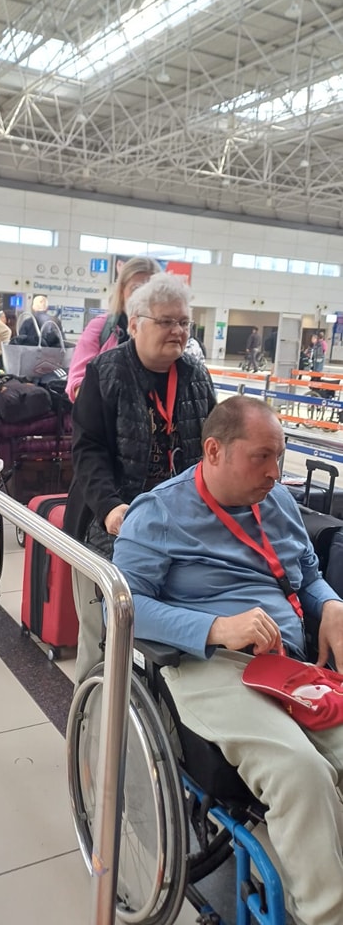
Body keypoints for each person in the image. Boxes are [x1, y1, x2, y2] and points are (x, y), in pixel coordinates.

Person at [112, 395, 343, 925]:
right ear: (214, 451)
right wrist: (215, 627)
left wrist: (329, 603)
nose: (274, 472)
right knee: (300, 773)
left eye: (279, 457)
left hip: (289, 663)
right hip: (211, 665)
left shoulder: (276, 501)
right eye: (261, 457)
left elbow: (305, 572)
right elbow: (122, 605)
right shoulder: (161, 512)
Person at [64, 274, 217, 685]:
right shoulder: (106, 372)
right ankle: (91, 714)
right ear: (134, 324)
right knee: (102, 630)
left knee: (169, 627)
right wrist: (111, 508)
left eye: (184, 322)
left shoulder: (196, 376)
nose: (178, 331)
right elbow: (88, 451)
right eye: (166, 321)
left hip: (177, 525)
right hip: (108, 517)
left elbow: (211, 450)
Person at [66, 257, 160, 401]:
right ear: (122, 291)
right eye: (136, 289)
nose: (143, 296)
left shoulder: (164, 332)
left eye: (150, 290)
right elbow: (76, 384)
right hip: (106, 419)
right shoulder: (101, 327)